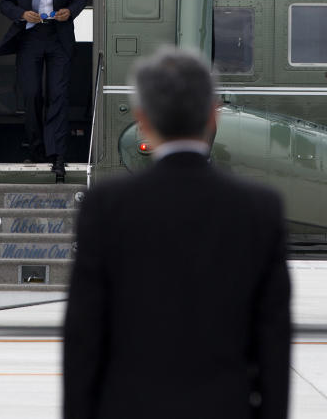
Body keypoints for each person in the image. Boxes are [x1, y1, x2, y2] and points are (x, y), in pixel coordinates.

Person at [63, 47, 291, 419]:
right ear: (214, 114)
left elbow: (84, 336)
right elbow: (273, 340)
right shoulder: (259, 208)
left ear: (142, 119)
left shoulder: (106, 205)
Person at [0, 0, 87, 179]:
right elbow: (5, 3)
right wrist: (22, 14)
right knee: (33, 94)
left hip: (58, 36)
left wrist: (70, 11)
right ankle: (37, 150)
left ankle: (57, 155)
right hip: (29, 36)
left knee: (58, 95)